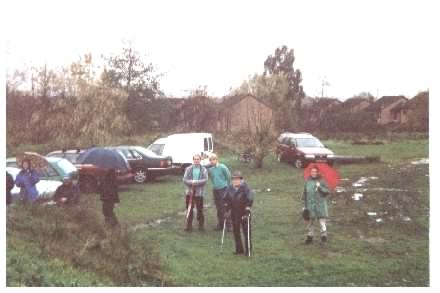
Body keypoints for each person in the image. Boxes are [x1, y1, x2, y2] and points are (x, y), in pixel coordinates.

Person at [224, 171, 253, 256]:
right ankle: (239, 249)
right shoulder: (230, 188)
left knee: (246, 231)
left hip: (244, 212)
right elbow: (226, 198)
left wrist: (247, 208)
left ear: (241, 180)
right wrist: (226, 207)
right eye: (233, 179)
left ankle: (248, 250)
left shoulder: (245, 188)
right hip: (234, 212)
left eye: (237, 179)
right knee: (236, 231)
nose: (235, 181)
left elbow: (250, 198)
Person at [302, 164, 330, 244]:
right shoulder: (308, 182)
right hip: (310, 206)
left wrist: (320, 187)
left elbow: (327, 192)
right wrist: (304, 206)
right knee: (310, 222)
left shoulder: (322, 181)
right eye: (312, 172)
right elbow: (304, 194)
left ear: (318, 172)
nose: (313, 173)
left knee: (322, 222)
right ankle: (310, 237)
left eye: (315, 171)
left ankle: (324, 237)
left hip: (320, 205)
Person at [182, 154, 209, 232]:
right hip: (189, 193)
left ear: (200, 160)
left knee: (200, 209)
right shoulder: (188, 169)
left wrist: (195, 182)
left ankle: (201, 225)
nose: (196, 160)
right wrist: (191, 182)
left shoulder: (204, 169)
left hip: (199, 193)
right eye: (195, 159)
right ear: (193, 160)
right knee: (189, 208)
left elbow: (205, 180)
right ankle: (189, 225)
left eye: (198, 159)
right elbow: (184, 179)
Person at [205, 153, 232, 231]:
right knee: (218, 207)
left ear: (217, 160)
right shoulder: (211, 169)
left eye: (214, 159)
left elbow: (228, 177)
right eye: (211, 160)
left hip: (224, 188)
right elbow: (212, 178)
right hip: (216, 189)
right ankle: (220, 224)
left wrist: (227, 186)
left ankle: (229, 225)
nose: (212, 161)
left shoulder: (222, 167)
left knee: (225, 207)